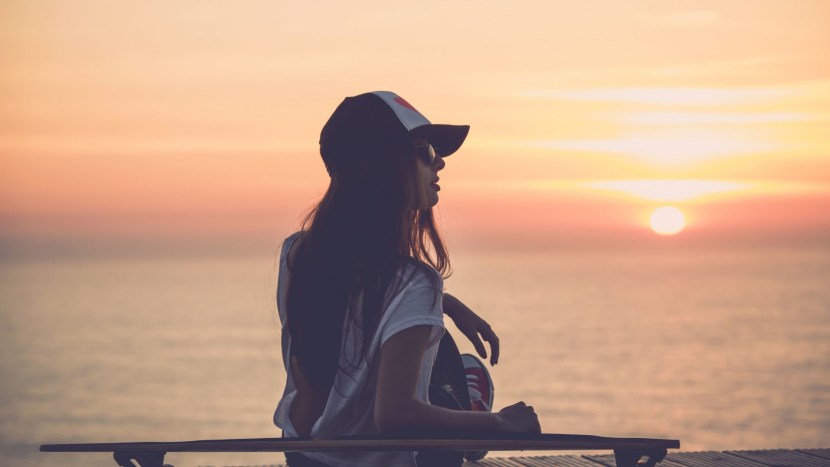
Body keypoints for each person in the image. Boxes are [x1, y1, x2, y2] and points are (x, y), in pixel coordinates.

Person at [273, 91, 540, 467]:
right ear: (382, 165)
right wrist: (497, 423)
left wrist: (448, 304)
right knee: (459, 365)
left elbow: (356, 290)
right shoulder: (417, 283)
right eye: (425, 150)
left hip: (304, 456)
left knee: (424, 335)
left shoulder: (298, 255)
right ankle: (467, 410)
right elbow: (395, 413)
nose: (441, 163)